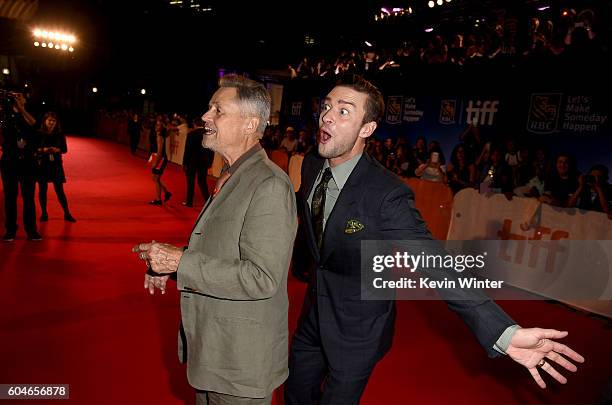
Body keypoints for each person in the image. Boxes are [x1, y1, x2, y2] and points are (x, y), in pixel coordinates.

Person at [285, 74, 584, 405]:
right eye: (326, 106)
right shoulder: (313, 162)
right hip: (312, 315)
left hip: (357, 330)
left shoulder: (387, 193)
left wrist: (502, 331)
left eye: (344, 111)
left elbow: (435, 263)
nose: (327, 115)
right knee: (295, 395)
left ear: (367, 129)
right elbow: (306, 213)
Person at [133, 75, 297, 405]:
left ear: (250, 123)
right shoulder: (235, 173)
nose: (206, 117)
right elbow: (223, 251)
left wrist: (181, 261)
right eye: (209, 108)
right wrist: (174, 266)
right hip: (217, 352)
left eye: (217, 110)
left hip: (239, 365)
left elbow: (261, 278)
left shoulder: (268, 185)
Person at [0, 90, 41, 241]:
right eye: (14, 95)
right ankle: (10, 230)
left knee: (28, 197)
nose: (17, 98)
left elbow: (34, 124)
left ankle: (31, 230)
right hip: (9, 161)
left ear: (24, 99)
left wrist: (21, 109)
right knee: (10, 197)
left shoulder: (29, 113)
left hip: (28, 162)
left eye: (20, 96)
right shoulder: (5, 115)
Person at [35, 112, 76, 222]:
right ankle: (44, 213)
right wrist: (43, 150)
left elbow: (64, 149)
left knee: (59, 190)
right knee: (42, 189)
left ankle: (67, 213)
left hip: (56, 164)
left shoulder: (60, 134)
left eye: (53, 121)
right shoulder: (39, 133)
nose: (51, 123)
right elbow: (34, 148)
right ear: (45, 121)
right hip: (42, 164)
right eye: (49, 120)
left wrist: (57, 149)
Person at [182, 117, 214, 207]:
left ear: (194, 124)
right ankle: (208, 201)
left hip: (192, 162)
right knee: (202, 182)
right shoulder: (208, 134)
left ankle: (189, 202)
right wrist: (210, 163)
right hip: (204, 162)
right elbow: (212, 150)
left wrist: (184, 162)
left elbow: (187, 150)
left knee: (190, 181)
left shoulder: (191, 134)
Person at [148, 118, 172, 205]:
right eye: (156, 124)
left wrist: (156, 162)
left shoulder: (159, 136)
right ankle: (166, 193)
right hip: (158, 157)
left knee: (156, 179)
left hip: (160, 158)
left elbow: (160, 151)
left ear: (161, 127)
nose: (156, 126)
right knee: (154, 178)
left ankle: (158, 200)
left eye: (158, 125)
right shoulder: (159, 134)